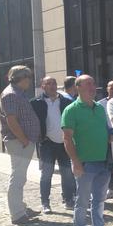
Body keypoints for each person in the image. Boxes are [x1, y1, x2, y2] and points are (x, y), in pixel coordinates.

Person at [61, 75, 113, 226]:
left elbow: (105, 130)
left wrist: (111, 135)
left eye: (93, 83)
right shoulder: (71, 110)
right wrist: (75, 162)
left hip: (103, 162)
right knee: (82, 202)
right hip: (85, 163)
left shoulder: (99, 108)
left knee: (99, 200)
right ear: (78, 88)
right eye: (88, 84)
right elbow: (67, 139)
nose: (93, 87)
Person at [0, 66, 41, 225]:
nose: (30, 81)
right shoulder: (11, 94)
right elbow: (11, 120)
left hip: (22, 142)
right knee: (17, 177)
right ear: (21, 78)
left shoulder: (17, 93)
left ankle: (21, 208)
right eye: (28, 77)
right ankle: (17, 214)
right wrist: (24, 139)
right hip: (19, 142)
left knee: (20, 177)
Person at [30, 76, 76, 213]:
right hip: (47, 143)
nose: (52, 86)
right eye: (48, 83)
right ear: (42, 86)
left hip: (64, 142)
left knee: (67, 173)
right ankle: (45, 202)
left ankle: (68, 199)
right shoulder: (35, 103)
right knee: (46, 174)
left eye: (54, 83)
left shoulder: (66, 101)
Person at [98, 80, 113, 198]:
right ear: (107, 89)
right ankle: (111, 188)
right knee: (109, 165)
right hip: (106, 139)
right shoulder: (100, 104)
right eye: (111, 88)